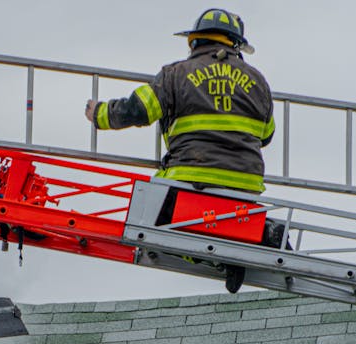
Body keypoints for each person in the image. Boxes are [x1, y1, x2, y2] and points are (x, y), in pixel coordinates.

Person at [85, 8, 274, 292]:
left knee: (151, 224)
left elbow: (137, 109)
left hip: (192, 180)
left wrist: (99, 114)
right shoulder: (258, 81)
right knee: (213, 220)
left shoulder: (176, 75)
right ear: (236, 45)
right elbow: (267, 135)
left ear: (194, 41)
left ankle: (214, 257)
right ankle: (257, 237)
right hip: (245, 188)